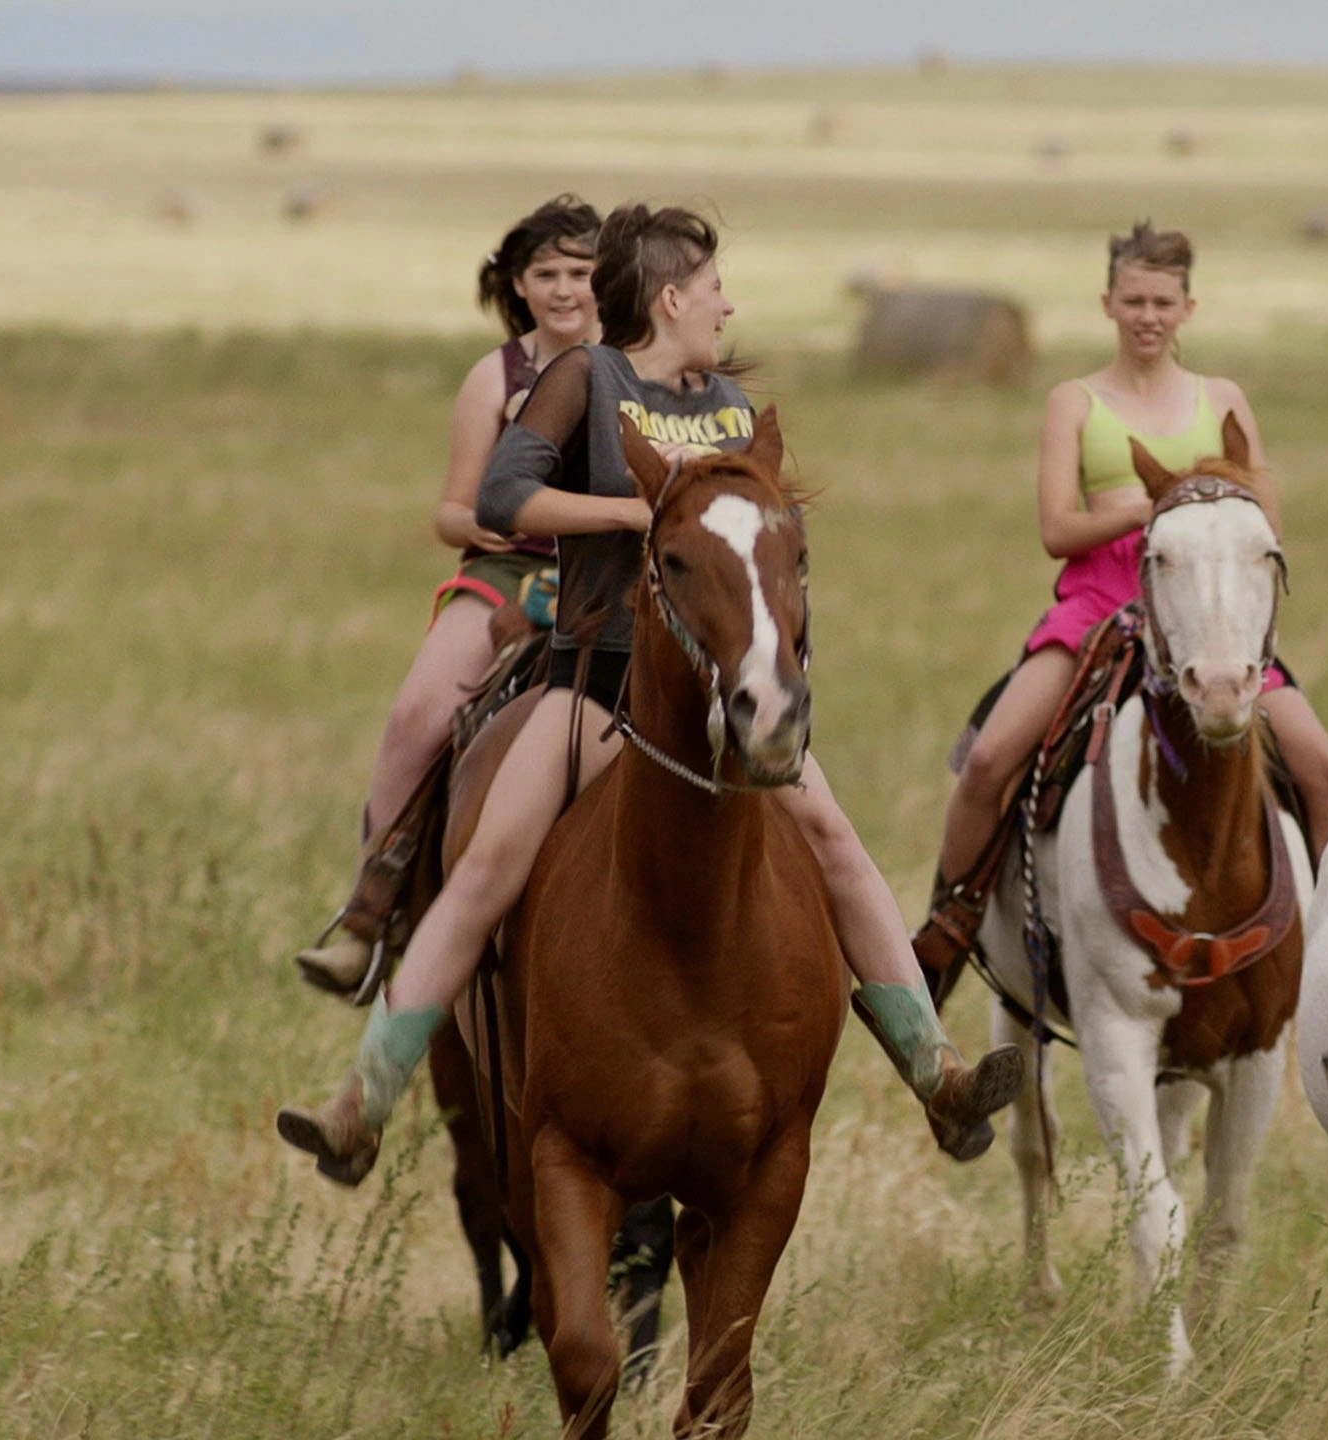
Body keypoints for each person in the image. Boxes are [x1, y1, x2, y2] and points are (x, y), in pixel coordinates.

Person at [278, 205, 1020, 1183]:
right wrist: (636, 509)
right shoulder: (584, 379)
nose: (728, 304)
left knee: (836, 842)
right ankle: (361, 1102)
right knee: (490, 863)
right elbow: (502, 499)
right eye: (715, 288)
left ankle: (939, 1078)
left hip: (716, 699)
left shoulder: (726, 405)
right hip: (593, 679)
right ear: (671, 297)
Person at [914, 220, 1328, 976]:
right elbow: (1057, 527)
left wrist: (1197, 525)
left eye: (1163, 301)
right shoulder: (1074, 401)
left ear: (1188, 308)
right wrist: (1156, 510)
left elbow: (1265, 523)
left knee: (1325, 769)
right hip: (1099, 601)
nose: (1148, 315)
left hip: (1209, 608)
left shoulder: (1222, 398)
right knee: (989, 758)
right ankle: (949, 928)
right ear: (1108, 303)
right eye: (1134, 299)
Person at [294, 194, 600, 994]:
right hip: (507, 577)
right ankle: (372, 915)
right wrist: (482, 522)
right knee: (418, 716)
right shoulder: (493, 376)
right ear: (519, 285)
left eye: (580, 271)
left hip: (607, 579)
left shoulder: (634, 365)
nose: (565, 289)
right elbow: (449, 509)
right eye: (546, 274)